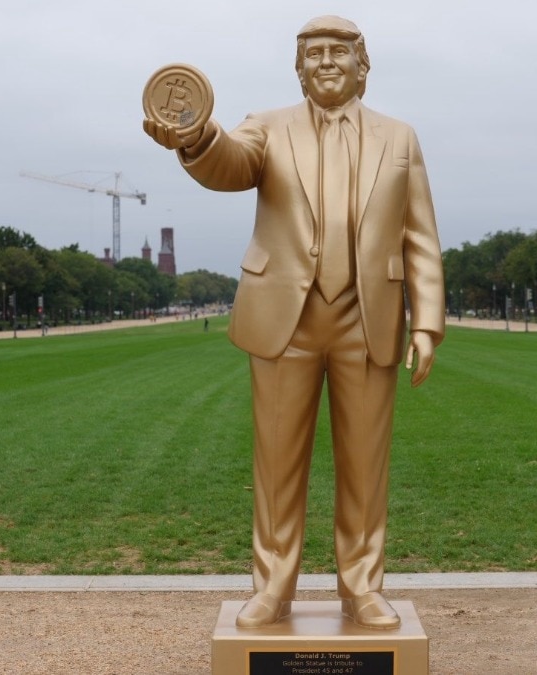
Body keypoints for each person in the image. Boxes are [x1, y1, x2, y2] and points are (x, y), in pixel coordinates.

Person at [143, 15, 444, 630]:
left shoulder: (401, 137)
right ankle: (271, 588)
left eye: (339, 51)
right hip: (286, 320)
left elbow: (420, 236)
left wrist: (427, 321)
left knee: (366, 468)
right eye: (313, 53)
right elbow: (228, 163)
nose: (326, 61)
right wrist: (196, 137)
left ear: (364, 64)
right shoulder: (267, 127)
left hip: (369, 317)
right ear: (297, 67)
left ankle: (362, 588)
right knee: (277, 467)